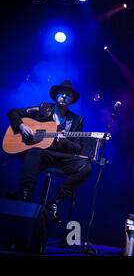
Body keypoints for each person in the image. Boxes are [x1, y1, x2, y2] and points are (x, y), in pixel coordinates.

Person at [7, 80, 91, 220]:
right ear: (56, 95)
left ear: (71, 100)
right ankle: (24, 198)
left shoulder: (76, 120)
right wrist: (21, 126)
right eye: (62, 93)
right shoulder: (43, 108)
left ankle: (55, 202)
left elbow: (78, 147)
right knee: (35, 151)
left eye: (68, 95)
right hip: (41, 154)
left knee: (85, 167)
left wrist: (64, 142)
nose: (64, 96)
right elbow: (13, 112)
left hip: (60, 157)